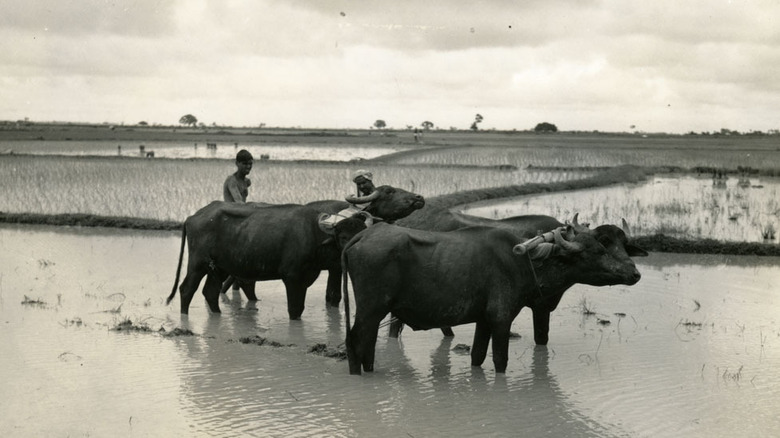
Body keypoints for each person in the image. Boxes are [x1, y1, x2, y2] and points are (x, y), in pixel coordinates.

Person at [223, 149, 253, 292]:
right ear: (237, 163)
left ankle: (235, 291)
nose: (248, 167)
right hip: (231, 220)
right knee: (239, 262)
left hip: (241, 219)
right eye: (245, 164)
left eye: (250, 164)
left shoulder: (246, 181)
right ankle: (223, 290)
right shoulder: (232, 181)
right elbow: (239, 202)